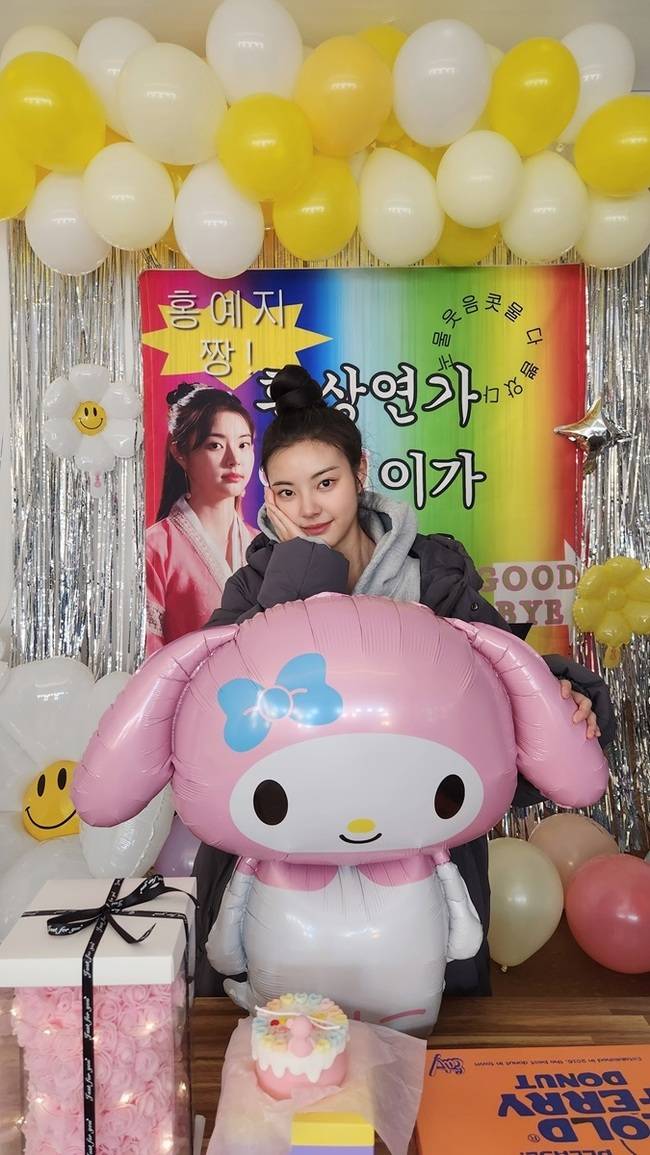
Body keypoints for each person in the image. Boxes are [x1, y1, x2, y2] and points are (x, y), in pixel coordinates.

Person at [193, 364, 615, 997]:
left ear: (361, 472)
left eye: (326, 482)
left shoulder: (433, 574)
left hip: (418, 854)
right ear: (269, 500)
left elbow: (497, 675)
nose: (309, 508)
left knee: (424, 1037)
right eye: (286, 492)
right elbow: (213, 706)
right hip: (287, 855)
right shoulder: (255, 585)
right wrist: (302, 564)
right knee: (288, 1041)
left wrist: (566, 696)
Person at [146, 384, 256, 655]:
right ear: (180, 453)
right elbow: (148, 658)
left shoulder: (263, 544)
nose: (234, 459)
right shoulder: (154, 549)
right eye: (215, 445)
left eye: (243, 444)